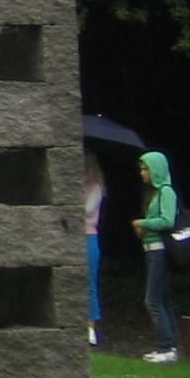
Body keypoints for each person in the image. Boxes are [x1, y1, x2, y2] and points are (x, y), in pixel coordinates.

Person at [131, 149, 182, 364]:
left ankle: (166, 346)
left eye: (146, 169)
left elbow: (167, 220)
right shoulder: (153, 193)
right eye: (142, 169)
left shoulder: (166, 192)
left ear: (157, 170)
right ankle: (169, 344)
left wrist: (142, 223)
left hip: (159, 251)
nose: (142, 173)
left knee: (152, 300)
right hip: (151, 249)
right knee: (162, 298)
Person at [84, 148, 106, 347]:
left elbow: (86, 209)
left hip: (88, 236)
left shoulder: (96, 187)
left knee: (88, 282)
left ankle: (91, 326)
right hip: (73, 237)